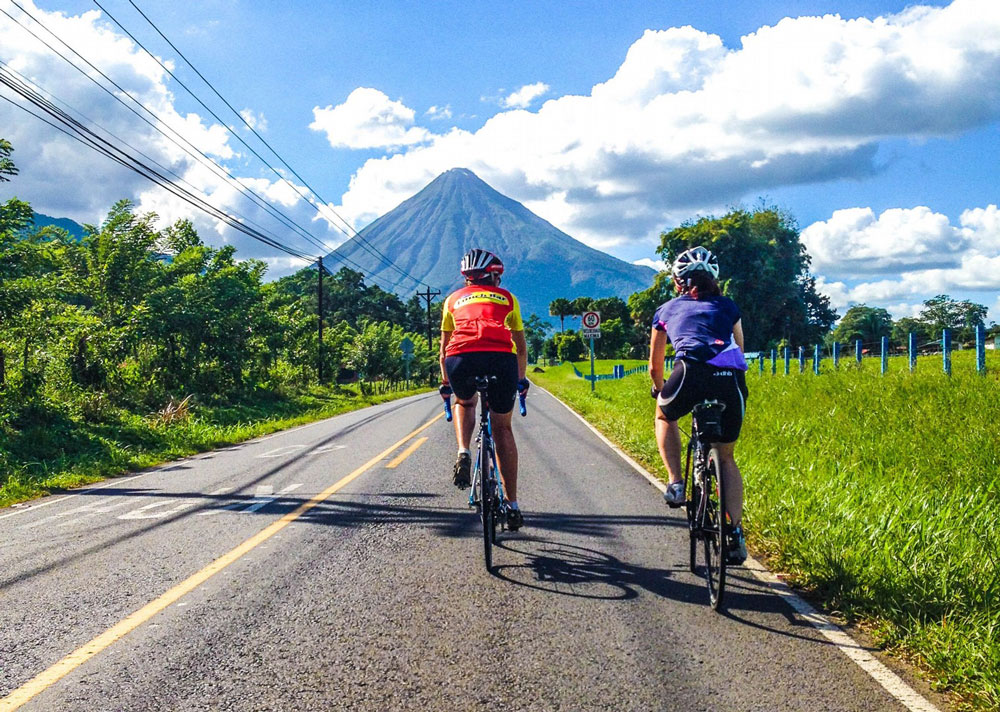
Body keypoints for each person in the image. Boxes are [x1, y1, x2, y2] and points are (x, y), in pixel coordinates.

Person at [648, 245, 749, 564]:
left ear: (678, 282)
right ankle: (733, 534)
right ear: (714, 280)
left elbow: (654, 366)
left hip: (689, 372)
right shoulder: (729, 306)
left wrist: (659, 389)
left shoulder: (666, 310)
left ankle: (676, 483)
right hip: (729, 379)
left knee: (664, 416)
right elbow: (740, 349)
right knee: (727, 457)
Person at [439, 248, 529, 530]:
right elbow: (521, 348)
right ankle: (512, 505)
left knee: (465, 403)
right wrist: (521, 380)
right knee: (502, 428)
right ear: (492, 277)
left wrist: (445, 384)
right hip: (501, 359)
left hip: (460, 358)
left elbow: (443, 350)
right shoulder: (508, 298)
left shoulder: (452, 300)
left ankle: (463, 451)